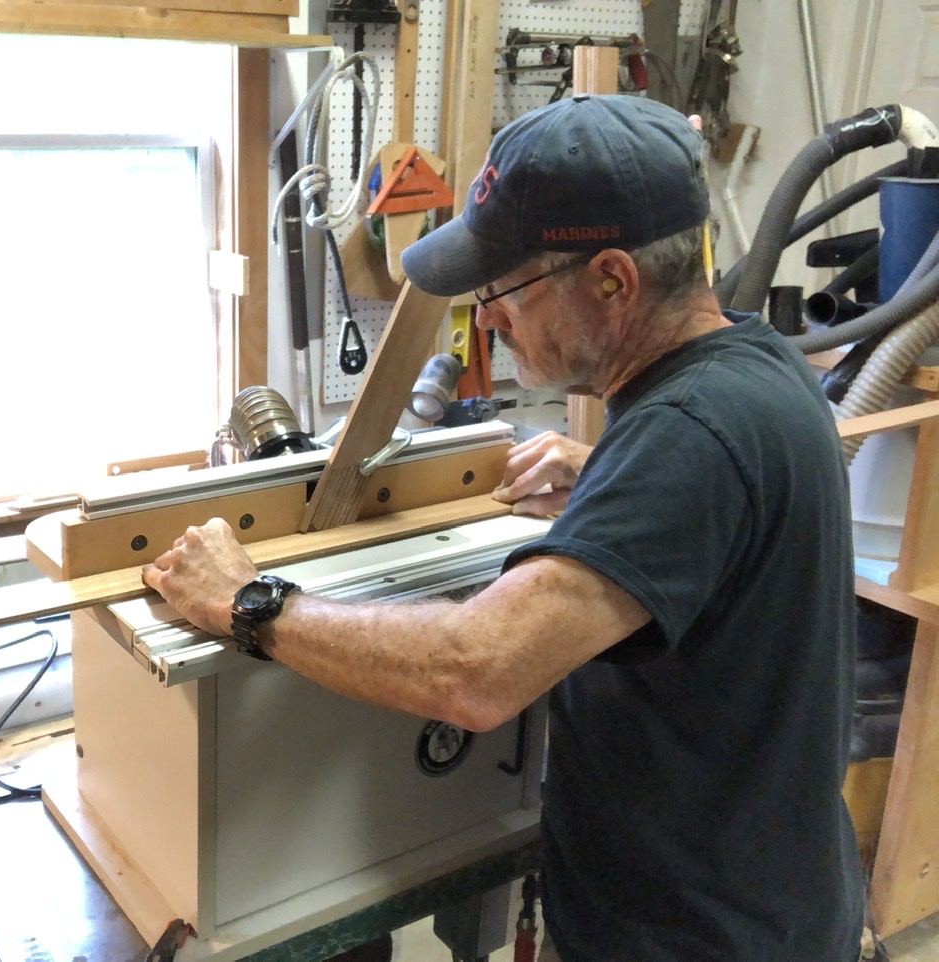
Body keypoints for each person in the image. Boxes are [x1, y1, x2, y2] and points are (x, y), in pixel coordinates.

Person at [142, 94, 864, 961]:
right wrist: (610, 483)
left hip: (692, 936)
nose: (485, 318)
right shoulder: (758, 367)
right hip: (768, 899)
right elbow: (735, 519)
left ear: (612, 280)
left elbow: (473, 674)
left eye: (504, 290)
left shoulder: (688, 437)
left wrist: (245, 602)